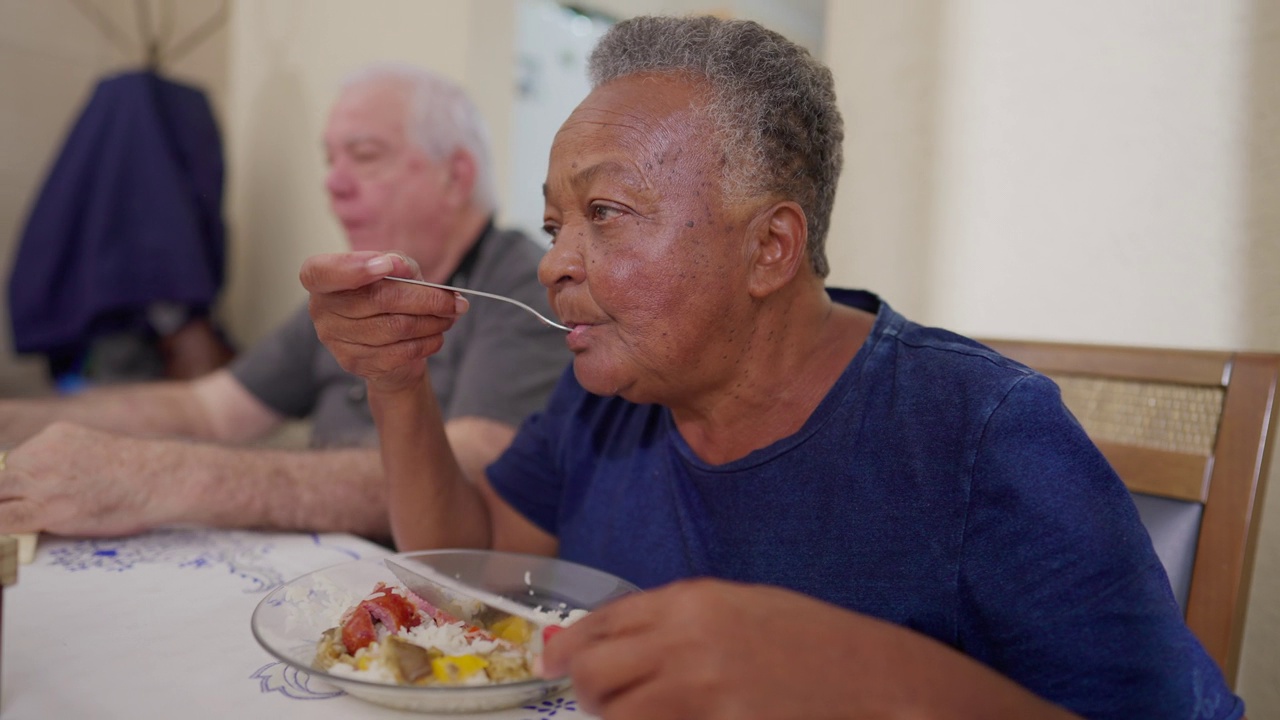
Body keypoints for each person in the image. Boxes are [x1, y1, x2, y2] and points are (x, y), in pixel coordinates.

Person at [300, 17, 1244, 720]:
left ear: (770, 249)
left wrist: (863, 675)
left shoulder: (983, 435)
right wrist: (396, 381)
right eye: (554, 225)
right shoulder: (610, 392)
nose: (553, 261)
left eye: (607, 213)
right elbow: (462, 567)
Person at [0, 64, 569, 542]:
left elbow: (470, 477)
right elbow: (212, 410)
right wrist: (15, 422)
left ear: (456, 176)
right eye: (330, 160)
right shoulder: (358, 292)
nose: (334, 184)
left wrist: (160, 477)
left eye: (364, 156)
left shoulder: (521, 285)